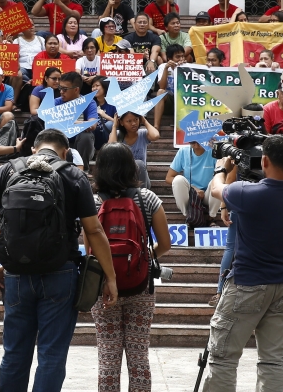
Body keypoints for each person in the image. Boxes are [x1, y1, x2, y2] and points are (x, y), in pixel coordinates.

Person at [0, 129, 118, 392]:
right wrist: (110, 277)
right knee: (51, 355)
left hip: (16, 274)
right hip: (60, 273)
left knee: (14, 353)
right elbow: (94, 231)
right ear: (65, 152)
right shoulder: (73, 175)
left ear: (34, 149)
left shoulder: (7, 171)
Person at [201, 134, 283, 391]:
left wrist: (222, 168)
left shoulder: (244, 192)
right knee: (273, 360)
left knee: (223, 357)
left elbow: (217, 189)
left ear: (264, 161)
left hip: (246, 283)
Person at [89, 143, 171, 392]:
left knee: (108, 356)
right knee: (139, 357)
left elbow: (90, 249)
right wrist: (142, 257)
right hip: (140, 286)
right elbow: (165, 244)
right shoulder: (147, 198)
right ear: (131, 167)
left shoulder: (92, 202)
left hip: (103, 288)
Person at [165, 139, 217, 222]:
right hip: (190, 195)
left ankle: (211, 217)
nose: (196, 146)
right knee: (178, 179)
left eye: (199, 142)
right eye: (192, 142)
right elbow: (169, 177)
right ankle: (188, 216)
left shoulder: (213, 151)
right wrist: (193, 188)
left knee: (217, 181)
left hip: (208, 194)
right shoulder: (183, 151)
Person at [56, 71, 98, 167]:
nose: (61, 92)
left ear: (76, 90)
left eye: (65, 89)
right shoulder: (56, 102)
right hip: (61, 142)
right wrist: (81, 124)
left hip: (80, 144)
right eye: (60, 88)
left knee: (86, 135)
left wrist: (66, 122)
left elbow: (92, 125)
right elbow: (50, 122)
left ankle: (83, 169)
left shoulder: (89, 102)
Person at [108, 111, 158, 189]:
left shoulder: (143, 134)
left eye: (136, 119)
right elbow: (110, 149)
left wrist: (144, 121)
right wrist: (114, 126)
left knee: (139, 164)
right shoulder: (117, 134)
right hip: (122, 176)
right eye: (129, 121)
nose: (134, 123)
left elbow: (155, 136)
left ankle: (142, 194)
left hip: (140, 177)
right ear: (121, 122)